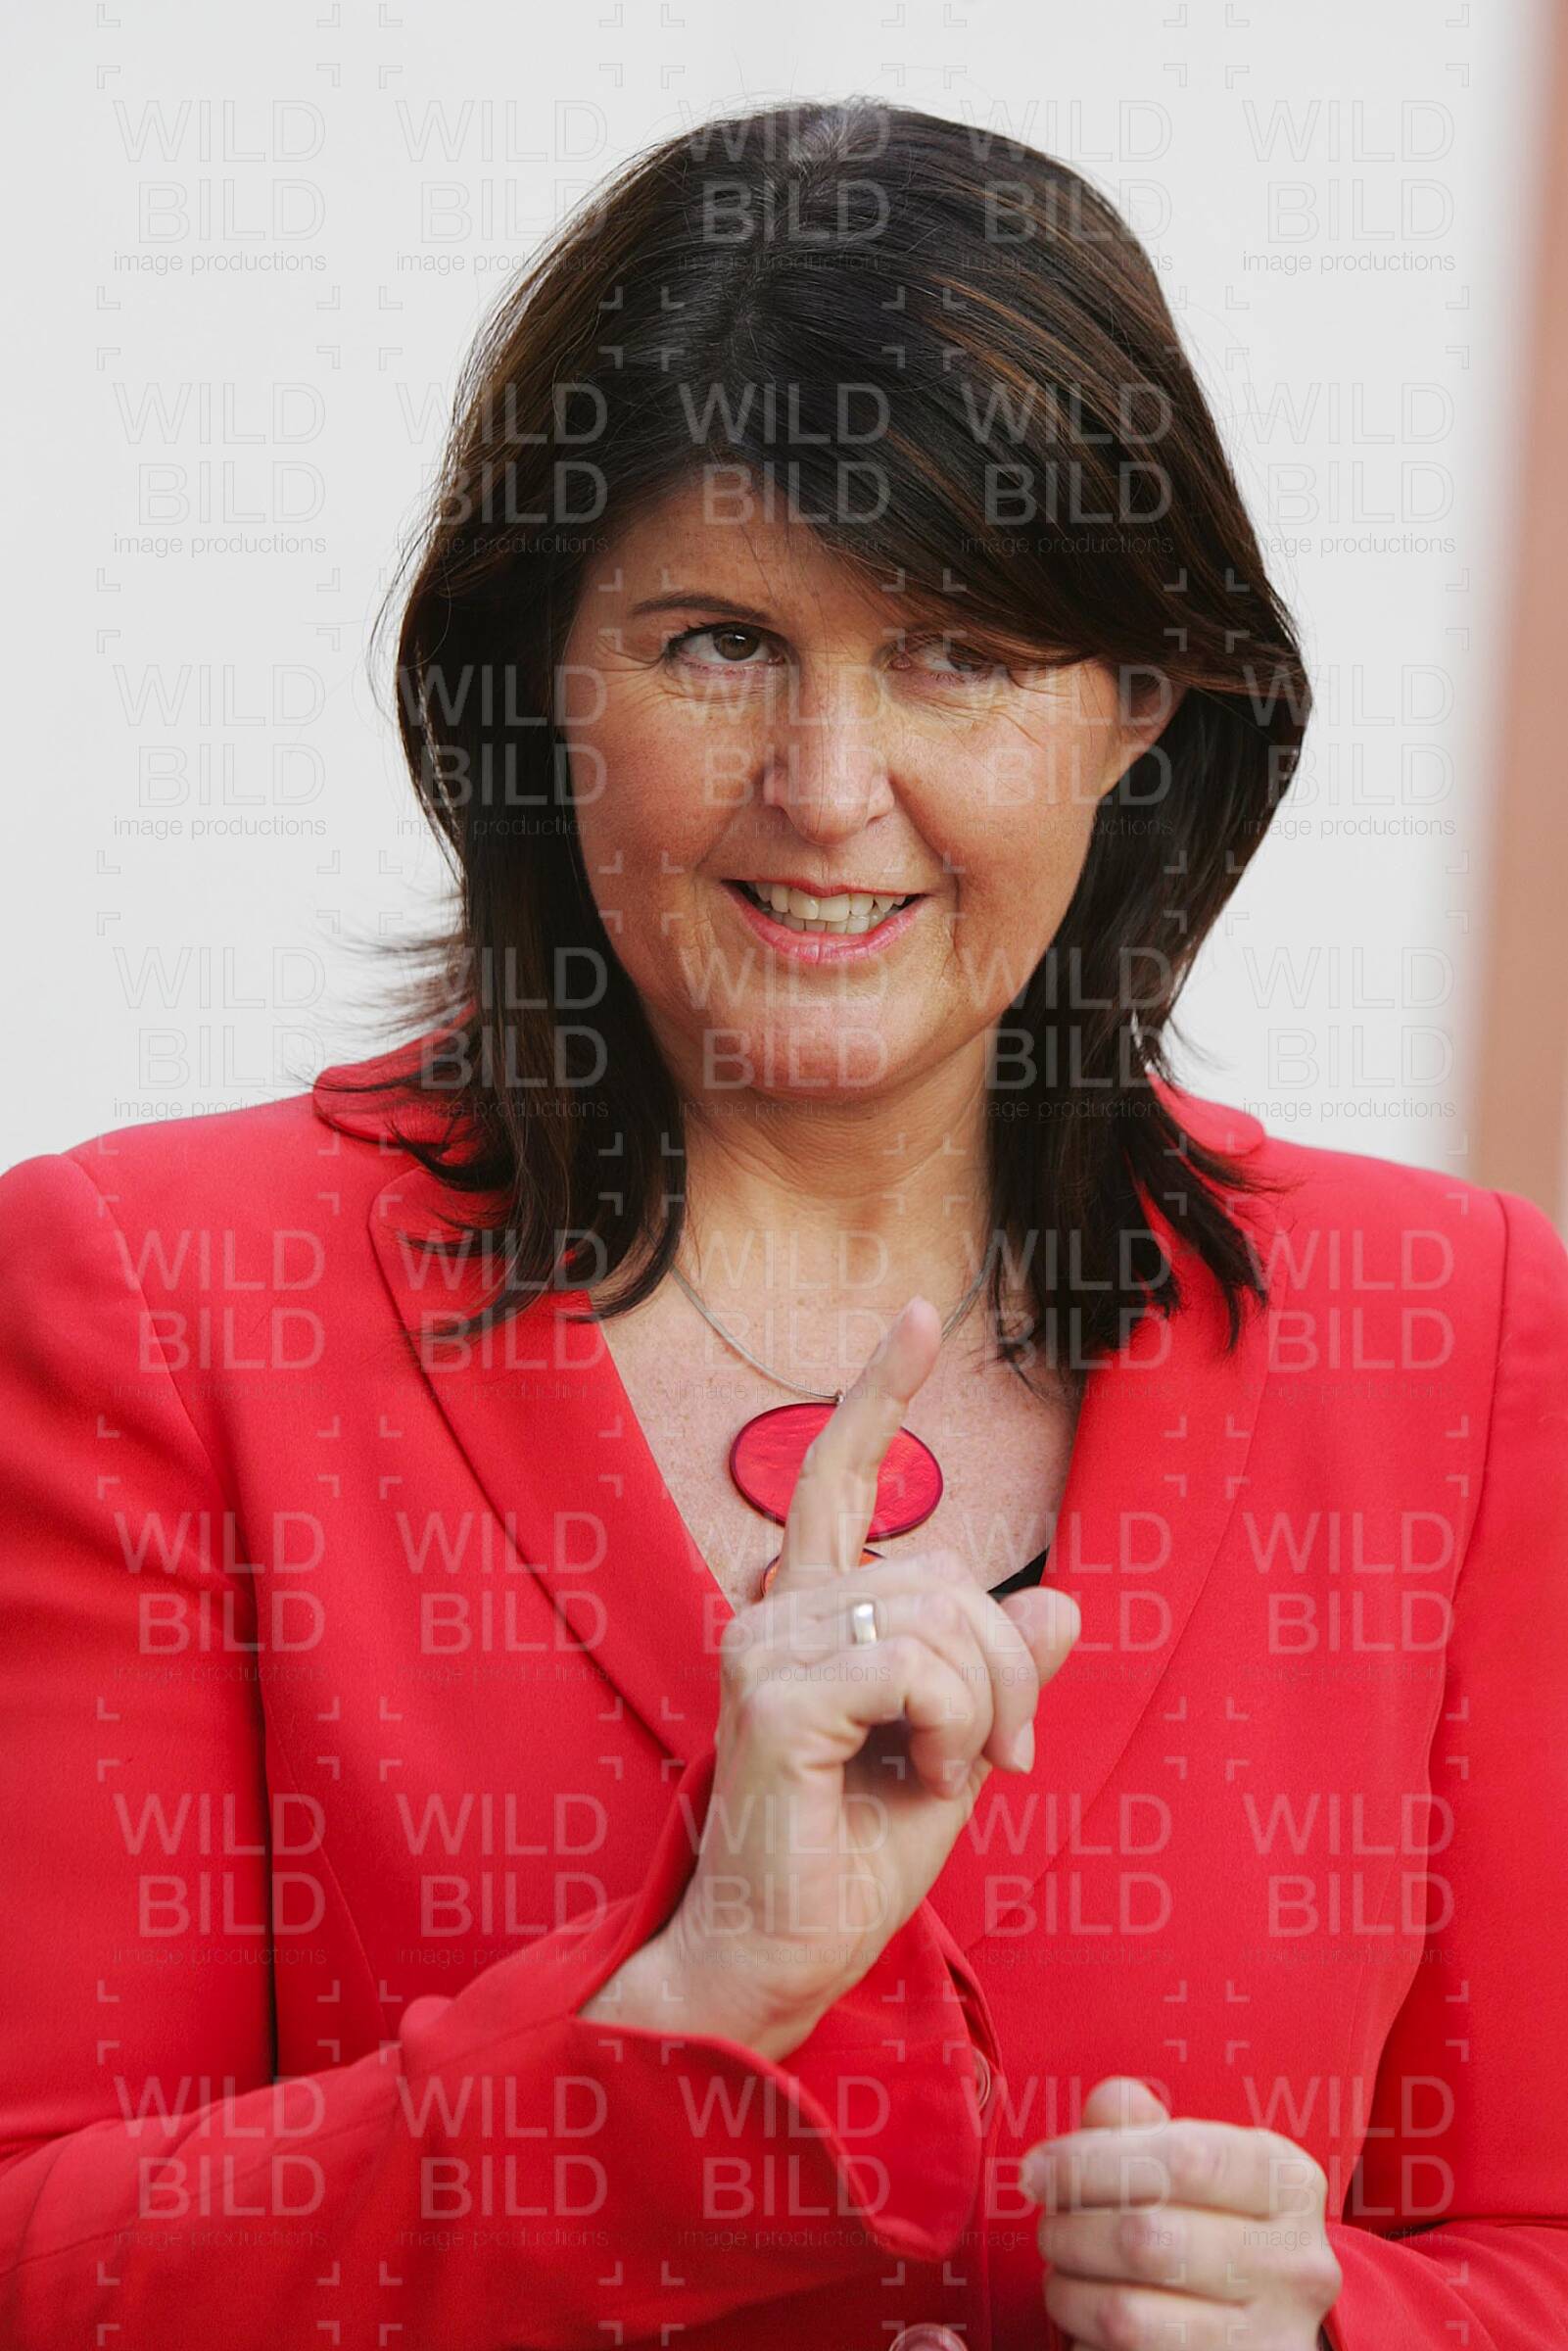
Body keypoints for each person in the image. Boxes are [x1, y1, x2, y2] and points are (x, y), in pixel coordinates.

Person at [2, 92, 1565, 2351]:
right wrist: (696, 1997)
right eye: (721, 643)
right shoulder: (154, 1304)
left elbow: (1535, 2248)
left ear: (1142, 706)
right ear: (540, 679)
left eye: (962, 657)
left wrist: (1337, 2332)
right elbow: (43, 2264)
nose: (831, 793)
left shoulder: (1462, 1338)